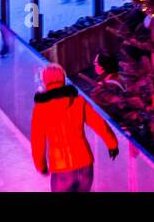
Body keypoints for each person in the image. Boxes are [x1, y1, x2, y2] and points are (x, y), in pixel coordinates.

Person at [30, 63, 118, 192]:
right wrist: (112, 144)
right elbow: (99, 124)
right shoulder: (78, 102)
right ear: (63, 78)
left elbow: (38, 141)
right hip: (85, 166)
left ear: (45, 81)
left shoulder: (40, 110)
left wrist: (41, 165)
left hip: (61, 170)